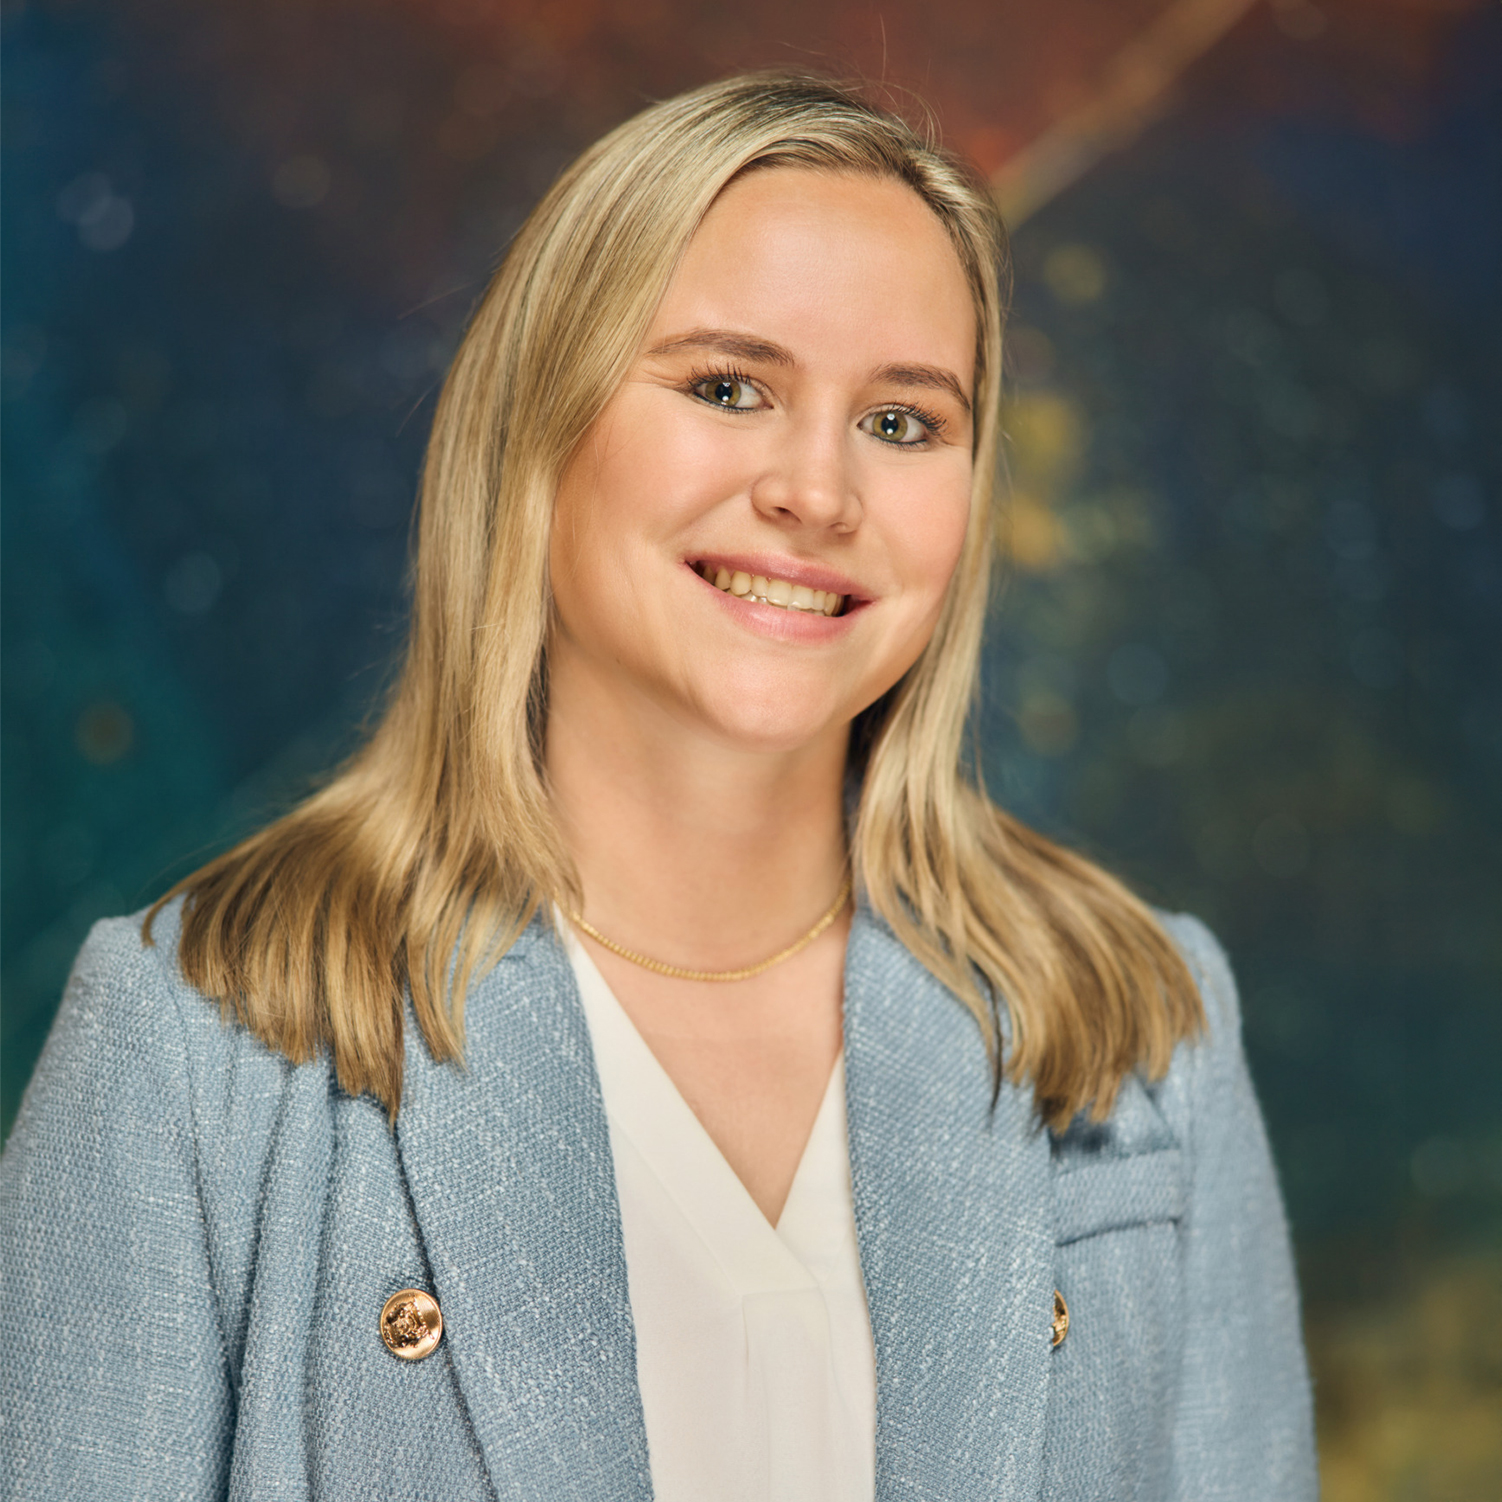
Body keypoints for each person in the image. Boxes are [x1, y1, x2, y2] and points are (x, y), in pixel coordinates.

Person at [0, 72, 1316, 1500]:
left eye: (902, 422)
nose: (817, 492)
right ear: (537, 427)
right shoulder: (192, 1045)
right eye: (726, 386)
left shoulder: (1142, 1025)